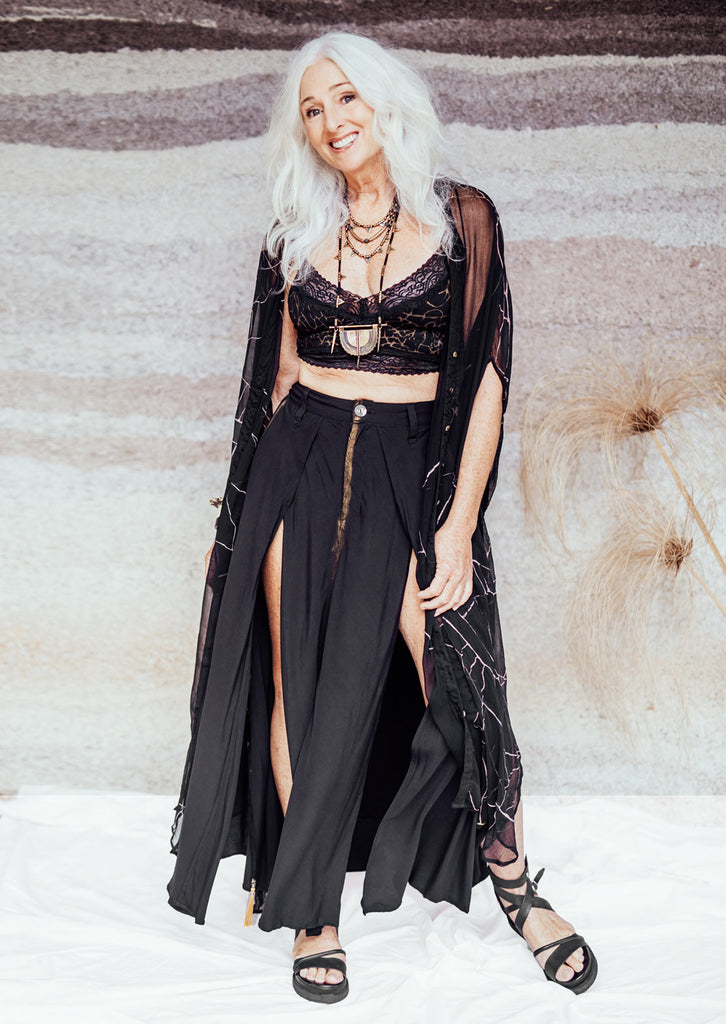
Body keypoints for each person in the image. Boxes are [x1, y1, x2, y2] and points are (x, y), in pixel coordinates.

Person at [167, 31, 597, 1003]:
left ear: (387, 100)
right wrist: (244, 513)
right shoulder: (292, 231)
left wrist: (457, 523)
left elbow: (486, 378)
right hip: (303, 461)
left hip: (415, 468)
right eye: (313, 110)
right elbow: (276, 378)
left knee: (460, 678)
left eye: (347, 98)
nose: (333, 121)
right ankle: (311, 908)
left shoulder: (464, 218)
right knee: (302, 684)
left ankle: (515, 885)